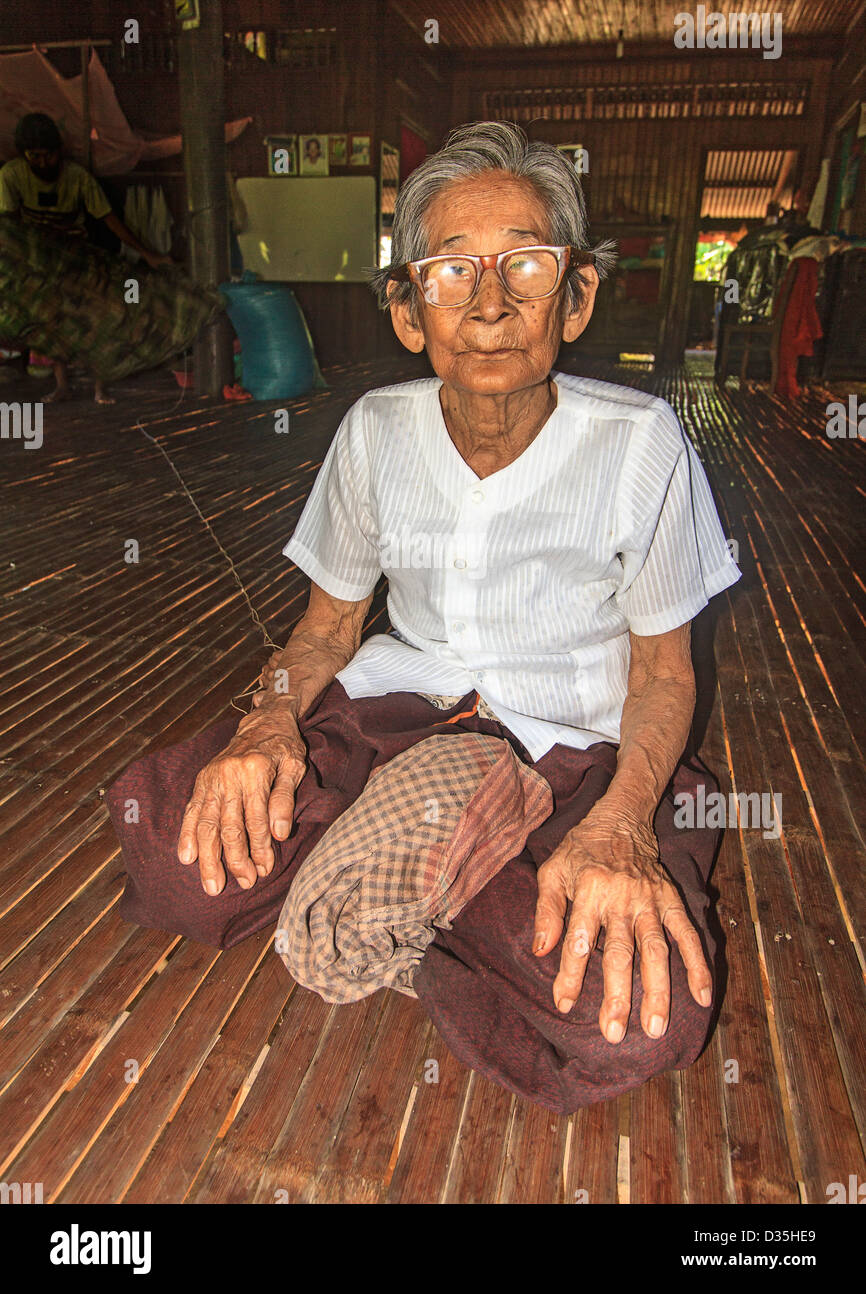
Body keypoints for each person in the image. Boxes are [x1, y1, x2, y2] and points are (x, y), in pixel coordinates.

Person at [110, 121, 741, 1110]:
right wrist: (265, 724)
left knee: (636, 1021)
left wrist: (619, 824)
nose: (489, 304)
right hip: (399, 719)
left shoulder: (640, 444)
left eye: (524, 266)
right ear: (410, 311)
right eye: (451, 273)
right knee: (171, 853)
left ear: (572, 296)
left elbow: (662, 675)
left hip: (575, 751)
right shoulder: (374, 431)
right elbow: (326, 628)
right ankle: (440, 863)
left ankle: (423, 882)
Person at [0, 112, 171, 403]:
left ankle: (99, 389)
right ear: (24, 154)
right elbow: (9, 227)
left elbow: (109, 219)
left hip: (78, 255)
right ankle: (62, 386)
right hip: (40, 260)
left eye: (48, 156)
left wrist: (148, 254)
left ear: (59, 152)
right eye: (35, 156)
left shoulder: (77, 177)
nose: (42, 163)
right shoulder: (11, 176)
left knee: (95, 322)